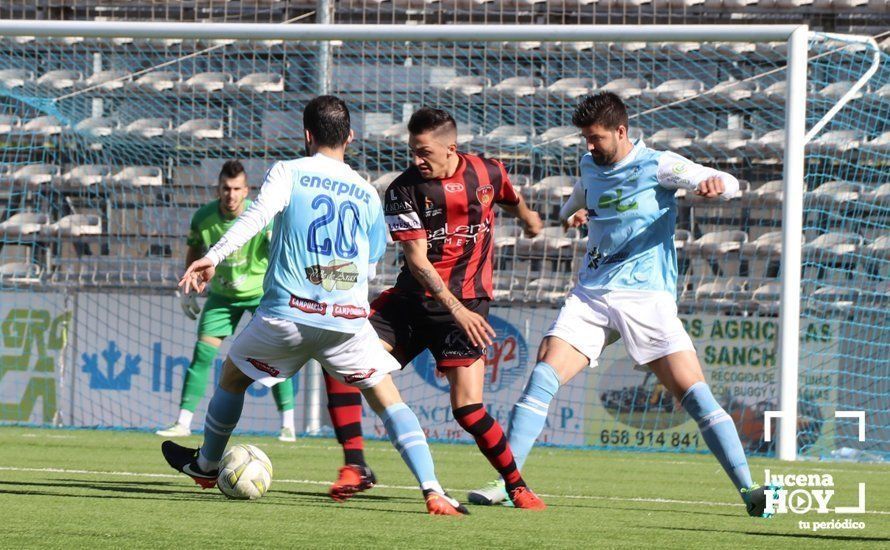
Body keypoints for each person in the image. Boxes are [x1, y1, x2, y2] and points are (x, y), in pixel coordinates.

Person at [467, 92, 777, 518]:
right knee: (542, 374)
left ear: (621, 131)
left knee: (694, 394)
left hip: (645, 297)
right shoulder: (589, 164)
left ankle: (750, 490)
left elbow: (726, 180)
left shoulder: (660, 164)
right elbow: (575, 202)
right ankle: (509, 482)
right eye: (585, 139)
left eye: (596, 138)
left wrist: (717, 185)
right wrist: (572, 214)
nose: (589, 147)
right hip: (592, 294)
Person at [161, 95, 469, 516]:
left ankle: (207, 464)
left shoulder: (289, 171)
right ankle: (434, 490)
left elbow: (256, 217)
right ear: (351, 138)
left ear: (307, 135)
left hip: (287, 316)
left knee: (233, 376)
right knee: (389, 401)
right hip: (346, 322)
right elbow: (371, 258)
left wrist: (213, 256)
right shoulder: (365, 191)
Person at [324, 106, 547, 510]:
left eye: (424, 152)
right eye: (412, 151)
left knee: (467, 409)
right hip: (412, 304)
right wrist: (453, 306)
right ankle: (355, 465)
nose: (416, 160)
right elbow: (417, 259)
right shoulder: (403, 189)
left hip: (468, 307)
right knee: (342, 359)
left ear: (451, 148)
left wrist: (530, 219)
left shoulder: (488, 172)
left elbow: (510, 199)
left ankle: (516, 486)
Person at [156, 160, 296, 442]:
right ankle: (183, 422)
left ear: (247, 191)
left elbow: (280, 253)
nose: (230, 194)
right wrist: (188, 287)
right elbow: (194, 247)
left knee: (276, 357)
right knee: (202, 355)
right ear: (218, 189)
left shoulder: (262, 216)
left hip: (260, 296)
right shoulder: (203, 218)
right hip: (221, 297)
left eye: (236, 189)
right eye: (225, 188)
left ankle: (288, 424)